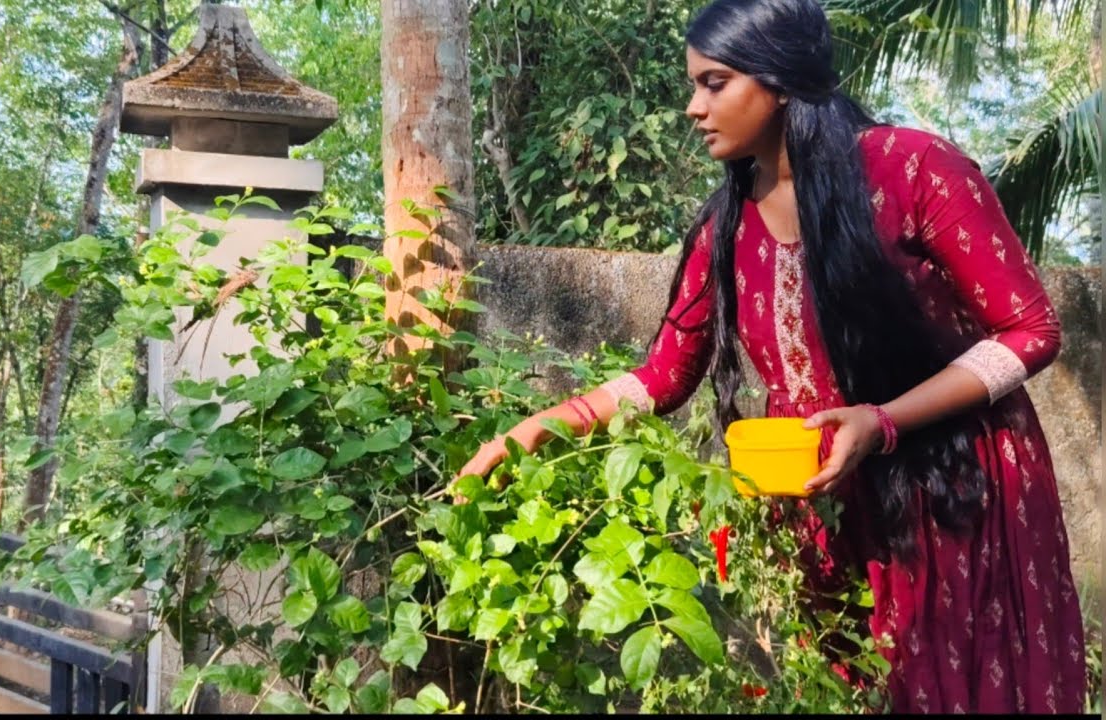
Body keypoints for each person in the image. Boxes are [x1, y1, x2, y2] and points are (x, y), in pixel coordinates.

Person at [449, 0, 1087, 713]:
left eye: (714, 83)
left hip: (952, 490)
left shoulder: (912, 168)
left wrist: (883, 422)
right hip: (824, 501)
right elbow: (664, 374)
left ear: (780, 81)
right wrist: (539, 428)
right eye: (695, 85)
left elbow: (1030, 330)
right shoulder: (725, 225)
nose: (694, 107)